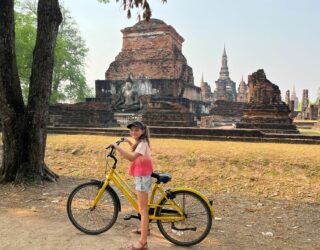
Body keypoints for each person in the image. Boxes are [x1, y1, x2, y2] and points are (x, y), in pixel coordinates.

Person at [110, 121, 152, 250]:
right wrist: (128, 141)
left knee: (143, 209)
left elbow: (132, 157)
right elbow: (135, 148)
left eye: (136, 130)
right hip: (142, 176)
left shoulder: (143, 144)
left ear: (143, 131)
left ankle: (143, 242)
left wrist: (116, 147)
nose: (133, 132)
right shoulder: (141, 142)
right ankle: (146, 229)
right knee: (141, 206)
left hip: (143, 177)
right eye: (131, 130)